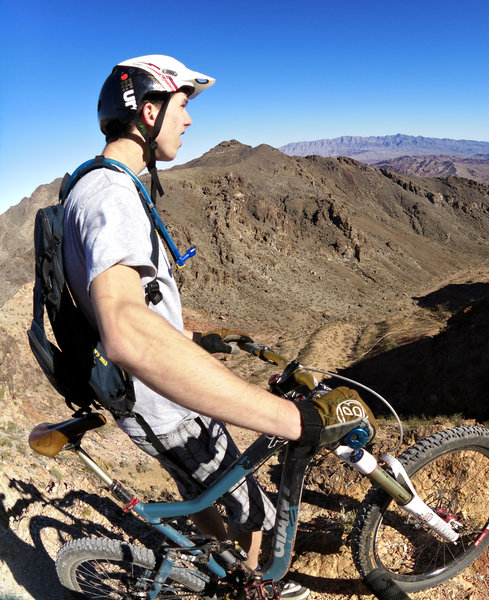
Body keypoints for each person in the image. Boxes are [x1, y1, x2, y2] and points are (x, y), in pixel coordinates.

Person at [62, 55, 371, 600]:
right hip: (161, 403)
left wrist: (190, 340)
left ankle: (225, 570)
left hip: (155, 399)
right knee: (255, 511)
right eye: (183, 106)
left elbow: (139, 302)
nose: (189, 120)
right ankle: (255, 586)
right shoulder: (110, 196)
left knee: (200, 489)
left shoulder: (97, 184)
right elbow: (127, 331)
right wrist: (286, 417)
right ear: (149, 109)